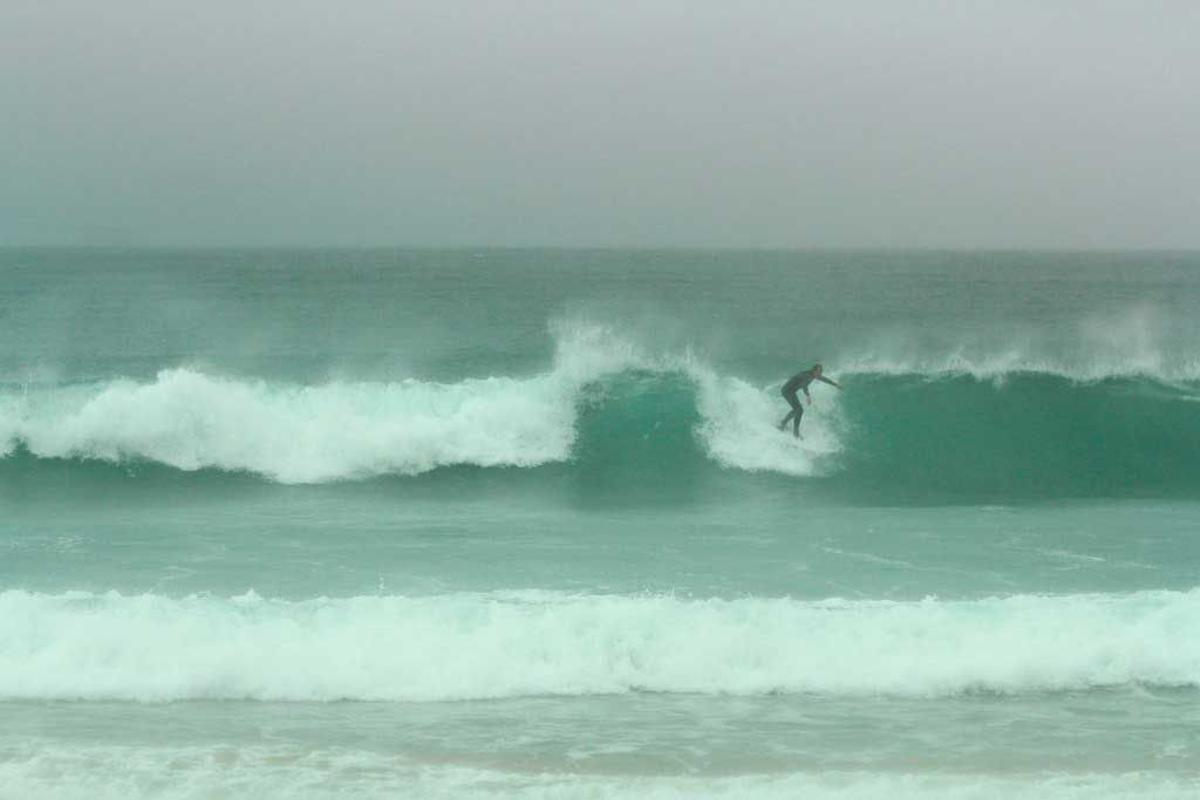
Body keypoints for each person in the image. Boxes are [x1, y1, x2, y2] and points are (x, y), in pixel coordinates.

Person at [778, 363, 841, 438]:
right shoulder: (806, 375)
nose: (820, 374)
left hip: (791, 391)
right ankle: (794, 431)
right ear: (814, 371)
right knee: (799, 410)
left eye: (821, 372)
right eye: (818, 372)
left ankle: (783, 423)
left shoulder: (813, 375)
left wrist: (835, 384)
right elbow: (804, 385)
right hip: (787, 391)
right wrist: (807, 396)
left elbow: (824, 379)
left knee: (797, 410)